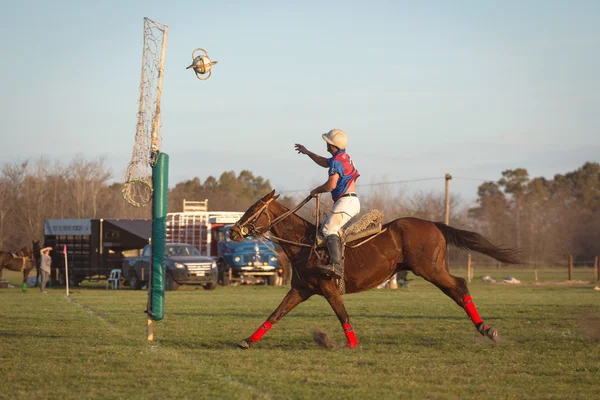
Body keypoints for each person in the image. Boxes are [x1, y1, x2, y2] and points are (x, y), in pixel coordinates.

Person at [295, 128, 360, 279]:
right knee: (328, 230)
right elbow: (323, 161)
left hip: (346, 201)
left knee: (328, 229)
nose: (326, 144)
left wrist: (317, 190)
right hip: (349, 200)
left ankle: (336, 266)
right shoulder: (342, 157)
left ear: (332, 144)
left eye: (327, 142)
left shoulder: (337, 162)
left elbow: (331, 185)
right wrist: (308, 152)